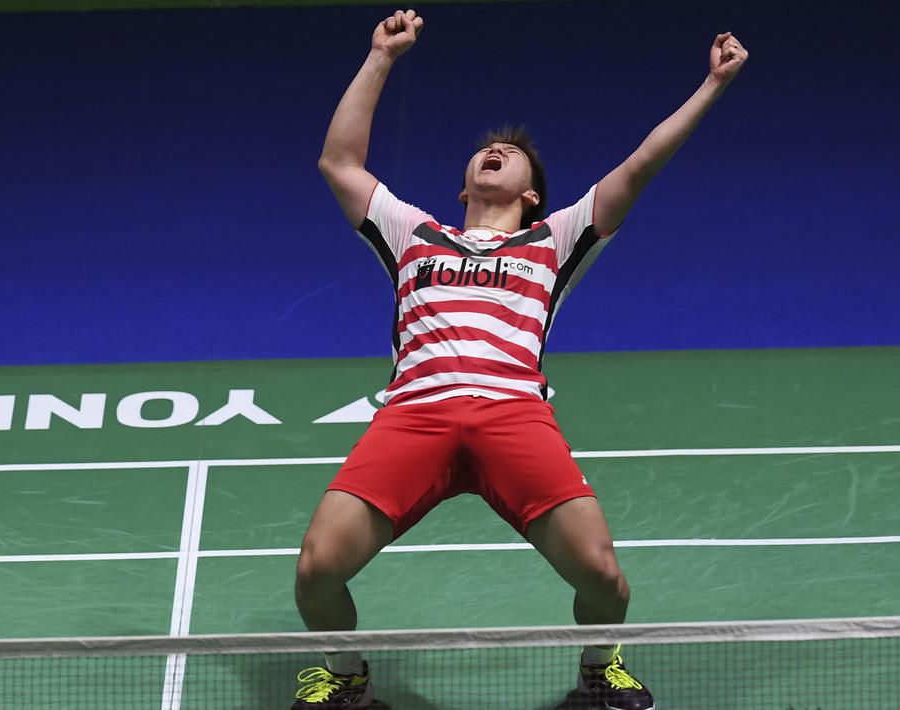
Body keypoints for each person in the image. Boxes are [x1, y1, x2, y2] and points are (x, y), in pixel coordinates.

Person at [292, 8, 748, 709]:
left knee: (602, 576)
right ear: (463, 185)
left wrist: (711, 86)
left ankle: (598, 671)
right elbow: (339, 163)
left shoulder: (556, 240)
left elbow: (641, 163)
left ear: (533, 193)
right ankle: (347, 675)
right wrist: (380, 57)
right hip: (416, 415)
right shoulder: (413, 234)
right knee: (317, 569)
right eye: (484, 152)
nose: (494, 152)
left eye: (512, 153)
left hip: (513, 415)